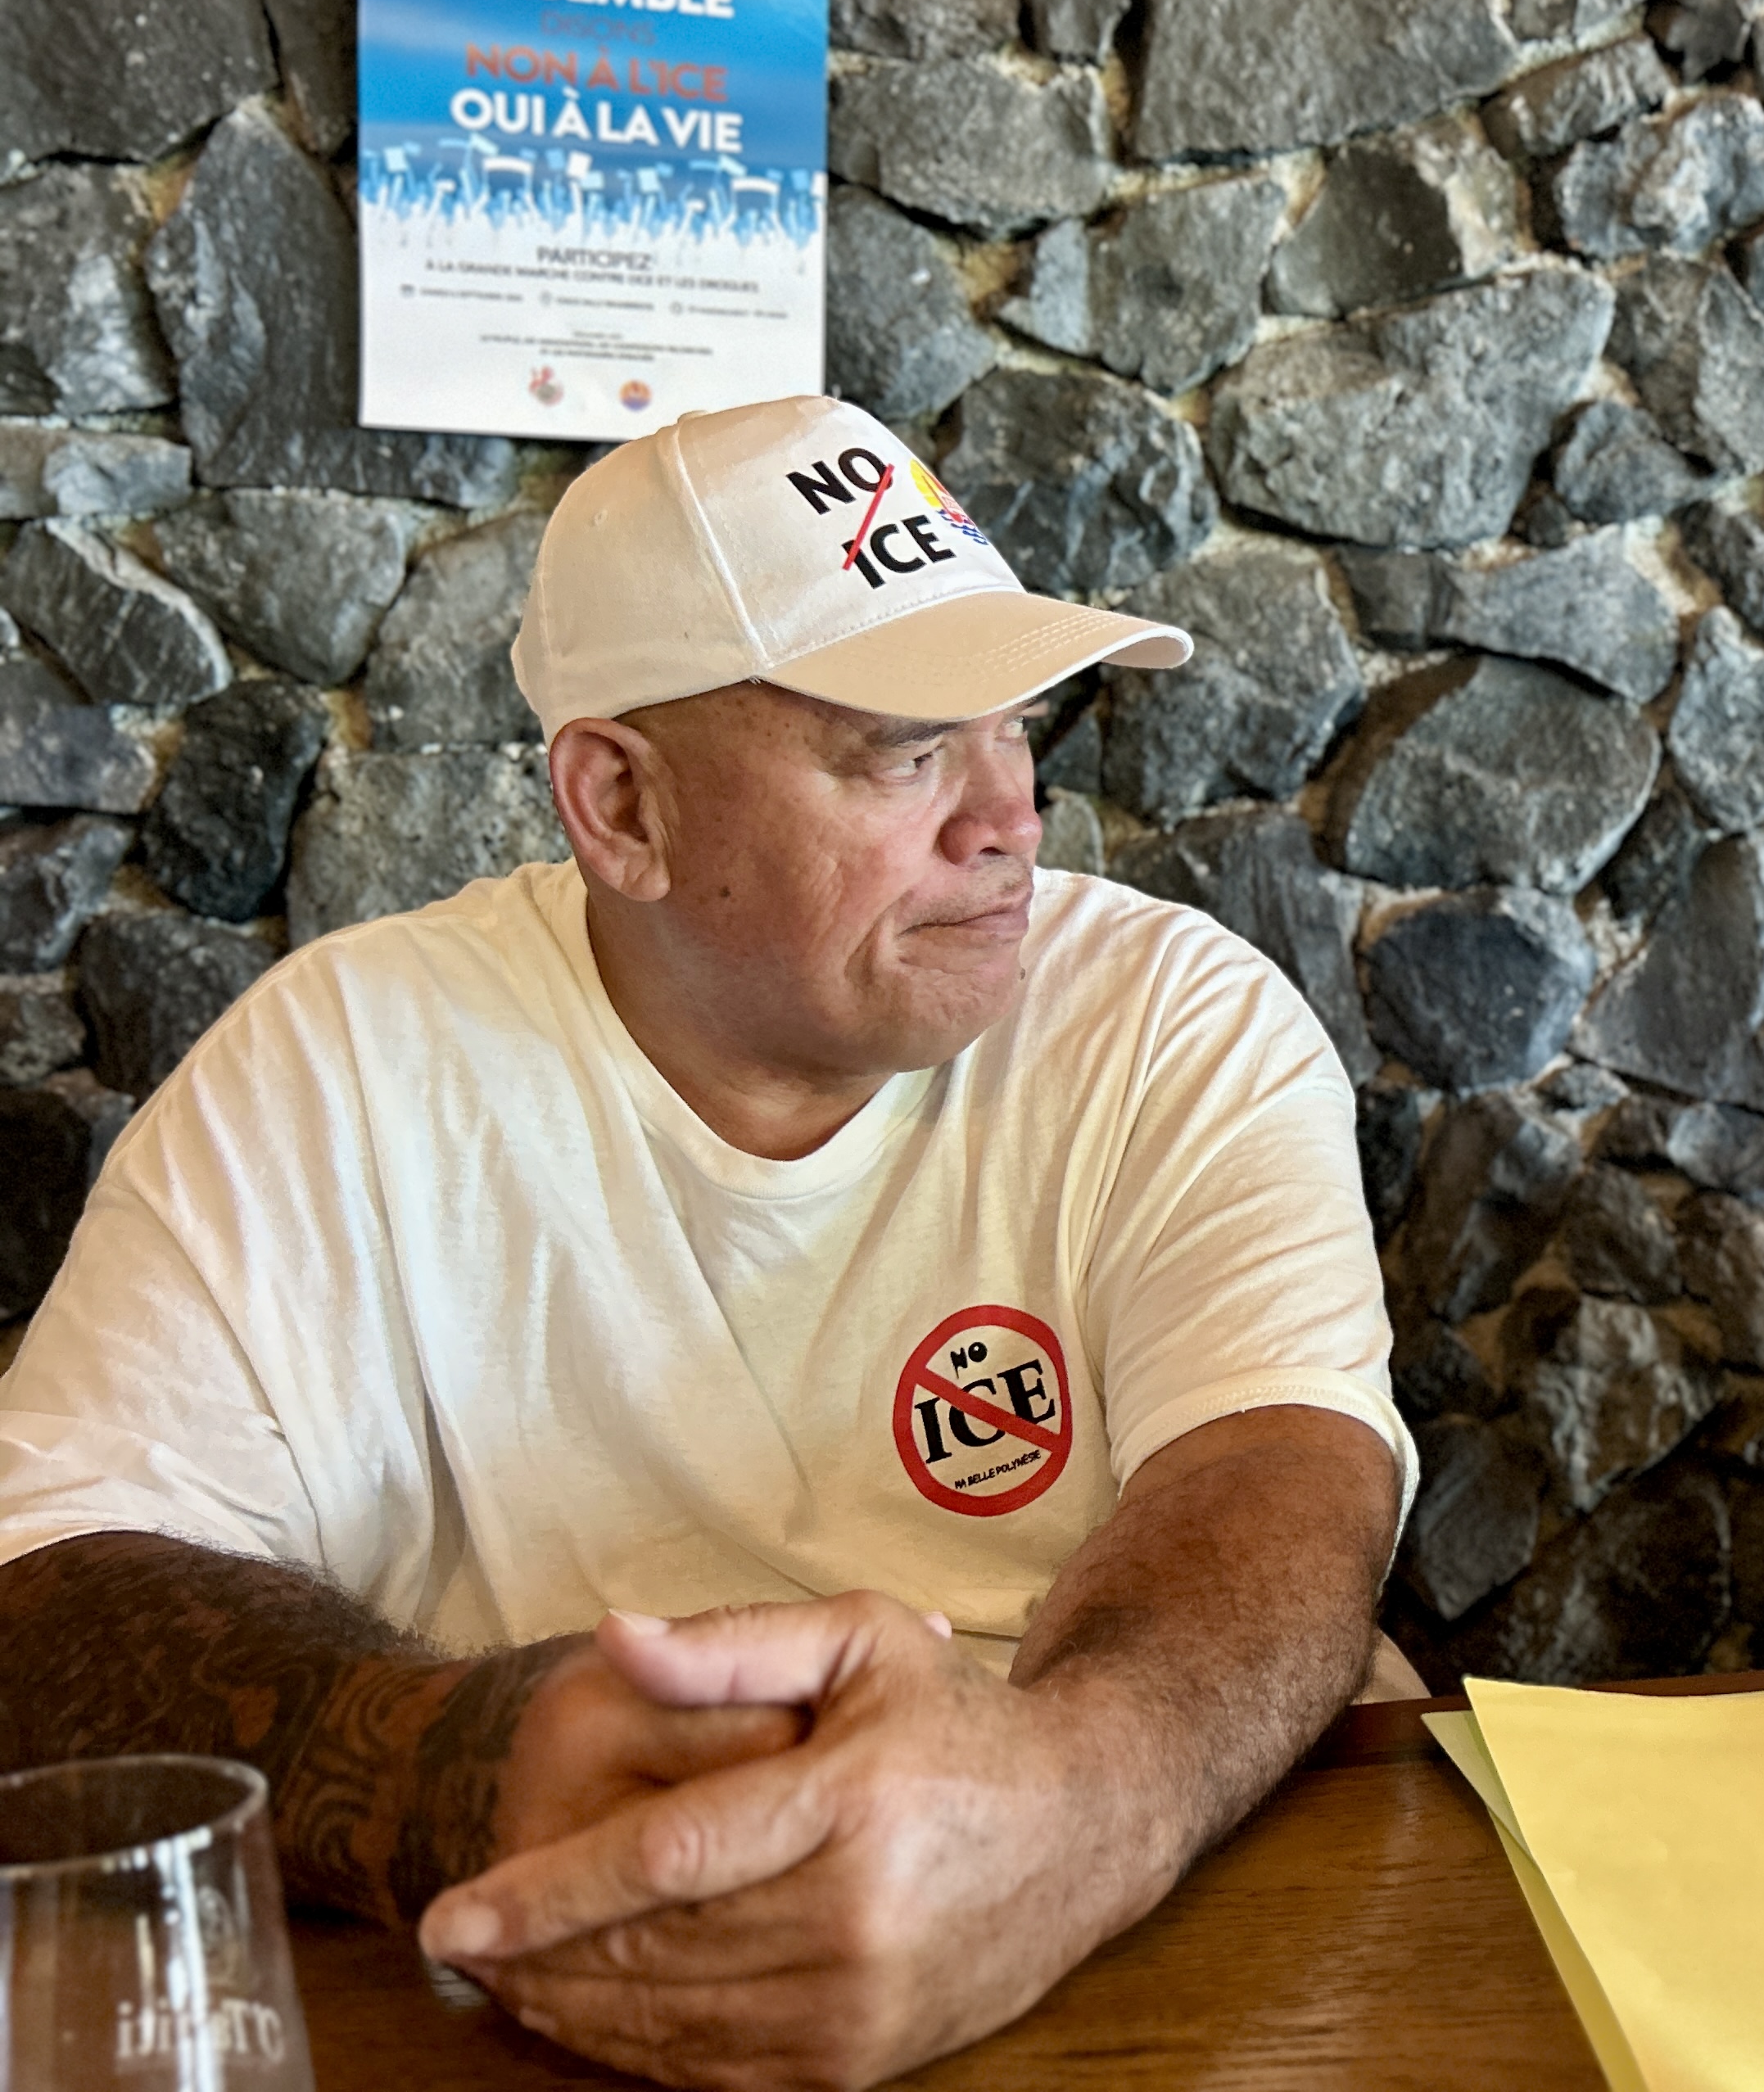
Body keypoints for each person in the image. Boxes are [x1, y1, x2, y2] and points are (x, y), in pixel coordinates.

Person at [0, 395, 1416, 2090]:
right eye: (906, 751)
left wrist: (1077, 1801)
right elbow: (44, 1583)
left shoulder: (1172, 1021)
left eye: (1018, 729)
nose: (1009, 818)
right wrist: (466, 1768)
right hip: (544, 1971)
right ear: (622, 805)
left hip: (1154, 1925)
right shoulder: (341, 1070)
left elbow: (1280, 1472)